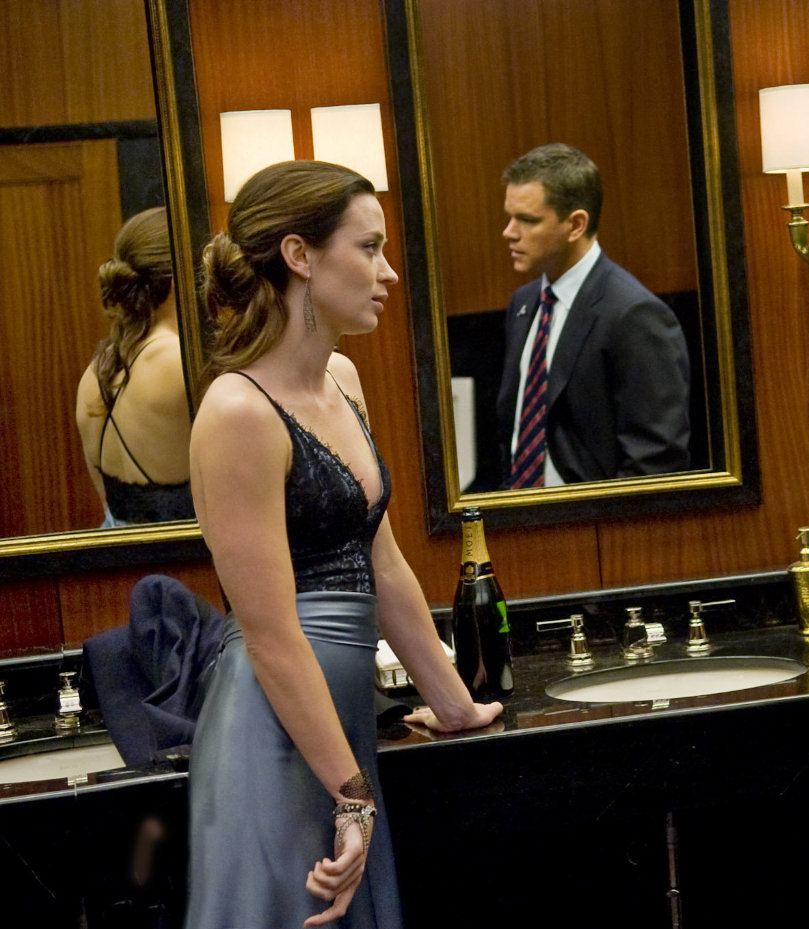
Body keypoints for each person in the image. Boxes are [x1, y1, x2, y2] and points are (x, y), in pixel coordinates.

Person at [185, 161, 502, 928]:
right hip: (271, 734)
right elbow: (270, 635)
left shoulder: (343, 379)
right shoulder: (236, 412)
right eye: (369, 248)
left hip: (343, 730)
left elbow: (382, 563)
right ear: (299, 255)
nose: (388, 272)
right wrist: (351, 796)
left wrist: (454, 702)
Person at [496, 143, 690, 487]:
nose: (509, 232)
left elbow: (657, 461)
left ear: (576, 224)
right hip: (520, 510)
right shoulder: (523, 304)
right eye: (510, 217)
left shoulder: (634, 315)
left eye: (527, 220)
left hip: (597, 517)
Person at [75, 207, 195, 527]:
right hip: (183, 554)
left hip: (117, 551)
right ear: (179, 278)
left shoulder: (96, 372)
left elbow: (108, 504)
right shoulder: (180, 360)